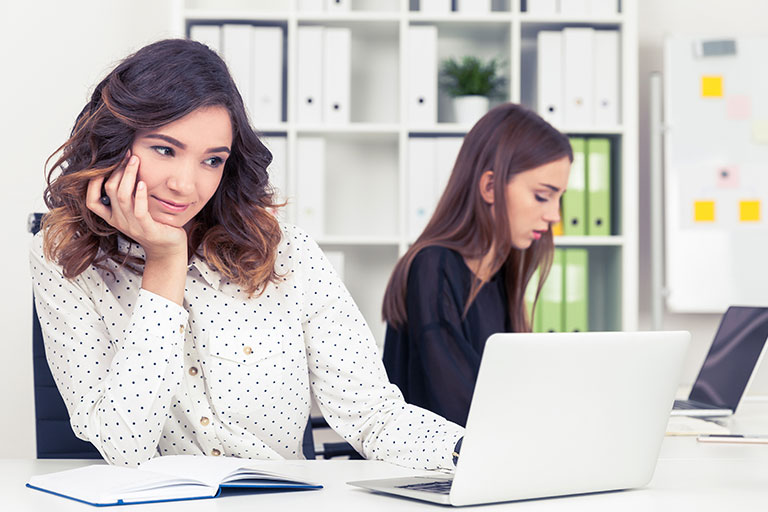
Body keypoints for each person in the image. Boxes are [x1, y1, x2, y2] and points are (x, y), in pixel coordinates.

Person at [31, 38, 463, 468]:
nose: (187, 184)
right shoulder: (64, 260)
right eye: (165, 150)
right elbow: (123, 447)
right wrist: (165, 262)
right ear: (114, 143)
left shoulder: (287, 253)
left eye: (212, 160)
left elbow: (374, 416)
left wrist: (473, 452)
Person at [381, 104, 572, 427]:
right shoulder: (433, 268)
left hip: (489, 462)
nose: (555, 215)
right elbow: (463, 410)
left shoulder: (500, 273)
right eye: (543, 196)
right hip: (436, 469)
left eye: (559, 199)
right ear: (489, 187)